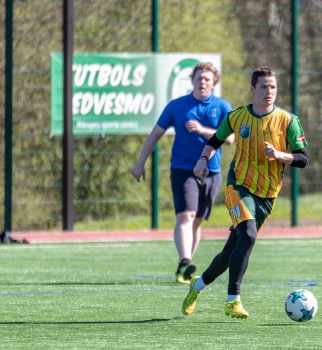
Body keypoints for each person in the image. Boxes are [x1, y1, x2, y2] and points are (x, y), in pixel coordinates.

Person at [181, 66, 308, 319]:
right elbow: (215, 141)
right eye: (263, 87)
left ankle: (197, 287)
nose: (268, 91)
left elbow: (303, 159)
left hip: (267, 196)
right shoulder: (236, 117)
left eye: (272, 87)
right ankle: (233, 300)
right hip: (237, 186)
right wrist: (202, 160)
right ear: (252, 89)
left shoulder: (288, 121)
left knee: (230, 252)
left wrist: (279, 155)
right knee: (248, 235)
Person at [131, 62, 233, 283]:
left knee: (196, 221)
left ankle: (184, 268)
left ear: (214, 83)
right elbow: (155, 134)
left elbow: (231, 139)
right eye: (199, 78)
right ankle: (185, 261)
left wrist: (202, 129)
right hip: (183, 169)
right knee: (186, 216)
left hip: (211, 171)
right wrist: (140, 163)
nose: (203, 82)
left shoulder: (223, 107)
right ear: (192, 81)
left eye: (207, 79)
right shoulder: (177, 106)